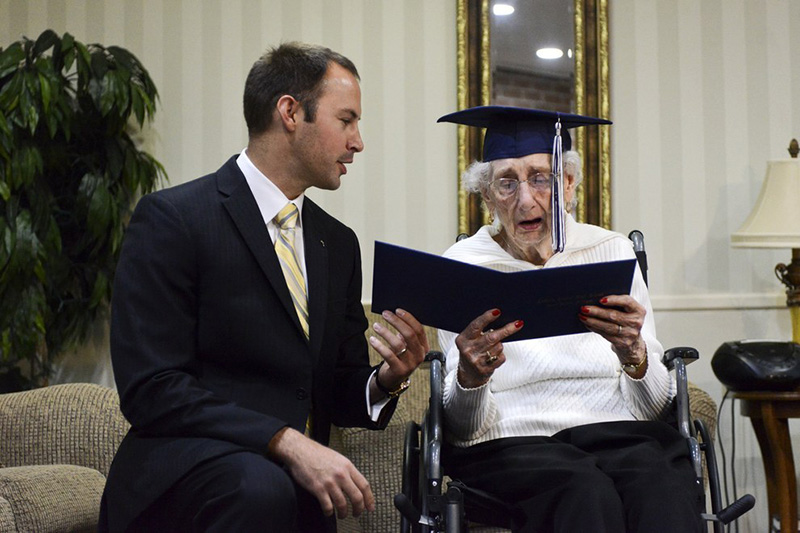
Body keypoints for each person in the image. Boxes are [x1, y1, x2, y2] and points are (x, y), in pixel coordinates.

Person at [99, 42, 429, 533]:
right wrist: (286, 441)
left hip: (286, 491)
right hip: (186, 481)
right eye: (347, 120)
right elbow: (152, 388)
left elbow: (334, 388)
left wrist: (387, 378)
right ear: (291, 113)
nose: (358, 142)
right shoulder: (173, 220)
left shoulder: (337, 244)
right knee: (264, 487)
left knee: (291, 497)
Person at [435, 106, 704, 533]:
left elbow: (654, 408)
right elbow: (463, 430)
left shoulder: (612, 252)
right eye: (507, 182)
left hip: (619, 434)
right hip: (512, 442)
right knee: (582, 488)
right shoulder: (460, 270)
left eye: (541, 177)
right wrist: (471, 377)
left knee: (660, 483)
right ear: (486, 197)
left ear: (569, 183)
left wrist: (634, 355)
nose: (526, 199)